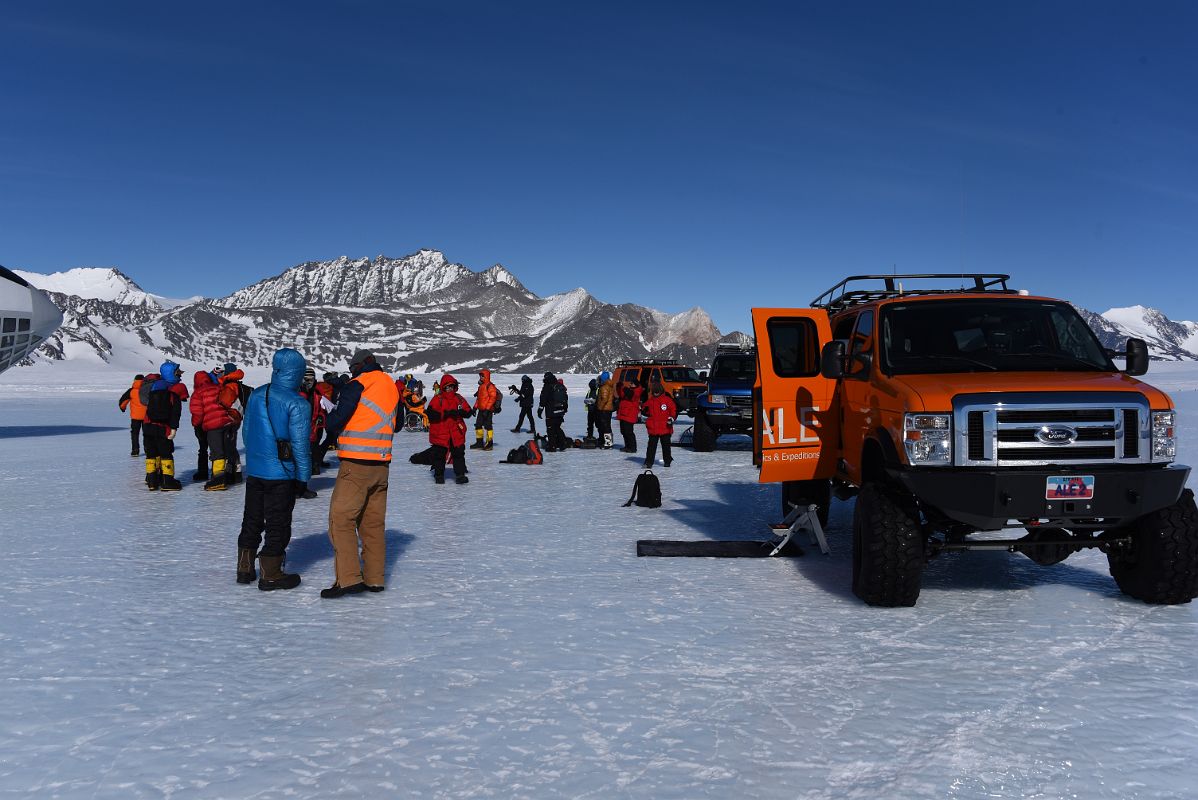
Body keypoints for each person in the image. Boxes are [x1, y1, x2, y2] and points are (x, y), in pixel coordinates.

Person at [321, 350, 401, 598]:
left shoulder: (358, 384)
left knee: (341, 521)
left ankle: (348, 579)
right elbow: (396, 425)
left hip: (356, 464)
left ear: (358, 366)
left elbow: (335, 422)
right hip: (381, 464)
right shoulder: (391, 386)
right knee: (373, 524)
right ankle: (375, 579)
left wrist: (327, 412)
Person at [235, 348, 312, 591]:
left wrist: (258, 458)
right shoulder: (297, 403)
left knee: (252, 519)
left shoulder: (258, 394)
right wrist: (303, 477)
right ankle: (271, 573)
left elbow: (247, 433)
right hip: (282, 474)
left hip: (256, 470)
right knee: (278, 522)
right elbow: (300, 444)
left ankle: (244, 567)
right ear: (297, 373)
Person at [140, 361, 190, 491]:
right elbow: (175, 412)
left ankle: (152, 481)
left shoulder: (154, 385)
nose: (180, 375)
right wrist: (173, 428)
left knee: (151, 452)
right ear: (173, 374)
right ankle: (167, 481)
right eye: (178, 372)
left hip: (147, 424)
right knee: (166, 453)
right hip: (164, 426)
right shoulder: (175, 389)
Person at [191, 369, 241, 490]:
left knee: (217, 452)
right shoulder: (218, 387)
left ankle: (218, 479)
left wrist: (196, 424)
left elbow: (197, 413)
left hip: (213, 426)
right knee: (226, 449)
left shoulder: (197, 393)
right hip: (227, 422)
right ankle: (230, 475)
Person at [426, 373, 473, 484]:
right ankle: (439, 476)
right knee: (439, 455)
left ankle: (460, 475)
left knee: (459, 454)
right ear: (443, 387)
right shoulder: (438, 399)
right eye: (447, 387)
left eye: (451, 386)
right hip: (441, 432)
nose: (449, 389)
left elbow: (468, 411)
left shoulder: (459, 398)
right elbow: (431, 414)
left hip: (456, 432)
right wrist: (445, 414)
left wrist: (463, 412)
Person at [218, 364, 252, 485]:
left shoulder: (230, 385)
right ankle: (236, 472)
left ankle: (232, 472)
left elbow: (225, 402)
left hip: (230, 419)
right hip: (236, 419)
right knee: (231, 445)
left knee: (228, 446)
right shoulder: (237, 384)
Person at [299, 366, 333, 477]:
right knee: (302, 451)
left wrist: (321, 417)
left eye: (311, 379)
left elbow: (323, 408)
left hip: (316, 427)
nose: (308, 382)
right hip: (300, 427)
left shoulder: (318, 393)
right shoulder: (297, 392)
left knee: (314, 447)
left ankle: (314, 465)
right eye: (306, 379)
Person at [641, 378, 677, 468]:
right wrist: (643, 409)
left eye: (657, 391)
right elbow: (644, 409)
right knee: (651, 447)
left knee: (666, 446)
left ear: (661, 391)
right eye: (654, 392)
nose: (656, 393)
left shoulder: (667, 400)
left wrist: (671, 418)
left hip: (665, 427)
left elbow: (673, 410)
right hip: (653, 428)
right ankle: (649, 462)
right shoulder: (650, 401)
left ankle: (667, 460)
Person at [117, 374, 146, 457]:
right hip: (147, 416)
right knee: (147, 434)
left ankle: (135, 450)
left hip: (135, 417)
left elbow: (123, 401)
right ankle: (148, 449)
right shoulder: (147, 390)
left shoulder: (131, 391)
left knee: (135, 434)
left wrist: (122, 408)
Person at [471, 369, 499, 451]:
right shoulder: (481, 386)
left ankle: (489, 443)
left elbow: (493, 398)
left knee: (488, 426)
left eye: (482, 376)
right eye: (480, 376)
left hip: (488, 410)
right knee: (478, 425)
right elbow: (479, 399)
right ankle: (479, 442)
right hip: (481, 409)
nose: (481, 377)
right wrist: (475, 408)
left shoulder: (490, 386)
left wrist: (487, 409)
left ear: (486, 376)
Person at [616, 378, 643, 453]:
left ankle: (633, 447)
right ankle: (627, 446)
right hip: (624, 413)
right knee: (624, 431)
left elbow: (632, 395)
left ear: (636, 384)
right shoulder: (630, 390)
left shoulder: (637, 391)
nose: (630, 384)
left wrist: (623, 388)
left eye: (632, 383)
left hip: (630, 414)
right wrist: (619, 387)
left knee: (629, 432)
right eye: (630, 383)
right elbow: (621, 394)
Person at [595, 371, 615, 449]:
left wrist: (599, 407)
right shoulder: (609, 386)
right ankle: (606, 442)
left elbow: (604, 399)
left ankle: (608, 443)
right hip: (608, 409)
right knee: (606, 426)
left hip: (604, 409)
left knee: (605, 426)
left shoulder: (604, 387)